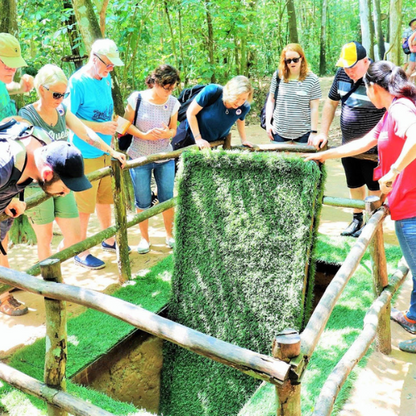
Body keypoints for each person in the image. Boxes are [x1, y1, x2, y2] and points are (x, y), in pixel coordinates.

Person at [304, 60, 416, 353]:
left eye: (368, 90)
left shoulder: (400, 109)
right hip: (405, 202)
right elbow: (365, 142)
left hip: (411, 206)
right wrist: (325, 156)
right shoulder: (392, 111)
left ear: (376, 88)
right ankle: (413, 317)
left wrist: (392, 173)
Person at [18, 64, 126, 264]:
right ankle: (51, 285)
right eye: (57, 94)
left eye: (64, 94)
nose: (61, 99)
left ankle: (60, 261)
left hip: (63, 182)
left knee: (74, 237)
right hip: (38, 183)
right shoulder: (26, 116)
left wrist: (110, 150)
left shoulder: (61, 110)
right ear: (42, 89)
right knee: (46, 238)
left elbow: (86, 133)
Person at [0, 123, 91, 315]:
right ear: (47, 173)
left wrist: (8, 199)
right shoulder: (4, 165)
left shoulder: (44, 147)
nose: (66, 193)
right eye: (64, 187)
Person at [64, 39, 127, 270]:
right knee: (83, 207)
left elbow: (104, 112)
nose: (110, 70)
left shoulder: (106, 78)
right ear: (94, 58)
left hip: (104, 150)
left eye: (112, 66)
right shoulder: (77, 82)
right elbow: (68, 119)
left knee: (104, 199)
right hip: (84, 154)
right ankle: (81, 251)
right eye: (107, 65)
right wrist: (100, 128)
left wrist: (110, 128)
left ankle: (108, 240)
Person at [312, 41, 385, 238]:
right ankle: (356, 218)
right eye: (344, 66)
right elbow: (331, 103)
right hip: (348, 146)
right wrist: (323, 133)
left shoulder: (379, 76)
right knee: (354, 183)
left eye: (351, 66)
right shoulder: (342, 75)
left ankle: (372, 223)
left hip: (375, 149)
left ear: (365, 61)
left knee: (374, 186)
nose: (348, 71)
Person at [123, 64, 180, 254]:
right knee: (143, 200)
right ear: (155, 83)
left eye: (172, 88)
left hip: (165, 155)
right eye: (167, 87)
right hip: (139, 156)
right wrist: (144, 134)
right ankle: (144, 239)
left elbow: (174, 129)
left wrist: (167, 133)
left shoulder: (173, 103)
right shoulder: (137, 98)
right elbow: (125, 124)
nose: (169, 91)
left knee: (167, 197)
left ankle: (170, 235)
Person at [0, 32, 34, 316]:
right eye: (6, 62)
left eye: (14, 62)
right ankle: (3, 296)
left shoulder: (1, 83)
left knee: (2, 237)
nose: (12, 67)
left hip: (8, 171)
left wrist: (17, 88)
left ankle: (6, 280)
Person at [265, 43, 321, 144]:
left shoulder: (312, 79)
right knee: (279, 160)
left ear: (301, 58)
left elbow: (314, 108)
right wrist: (268, 123)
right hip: (279, 131)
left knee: (304, 160)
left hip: (304, 133)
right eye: (288, 60)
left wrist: (313, 132)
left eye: (295, 59)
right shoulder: (278, 76)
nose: (292, 63)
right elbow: (271, 100)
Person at [186, 75, 253, 149]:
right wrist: (198, 138)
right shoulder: (212, 91)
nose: (239, 102)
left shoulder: (244, 107)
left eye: (243, 99)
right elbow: (190, 113)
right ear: (230, 92)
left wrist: (244, 140)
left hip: (211, 144)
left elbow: (240, 120)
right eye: (237, 98)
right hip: (188, 137)